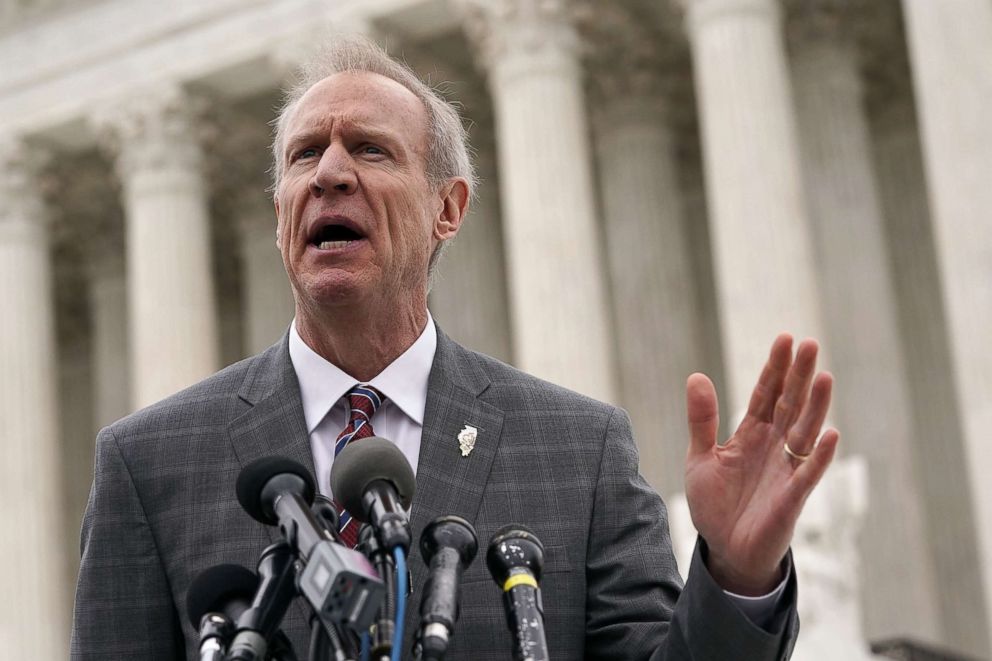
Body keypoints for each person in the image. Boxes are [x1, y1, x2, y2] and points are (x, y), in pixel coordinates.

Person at [71, 37, 838, 660]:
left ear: (448, 207)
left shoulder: (578, 451)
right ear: (279, 213)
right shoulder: (153, 463)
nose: (329, 173)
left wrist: (738, 576)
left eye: (369, 150)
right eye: (304, 156)